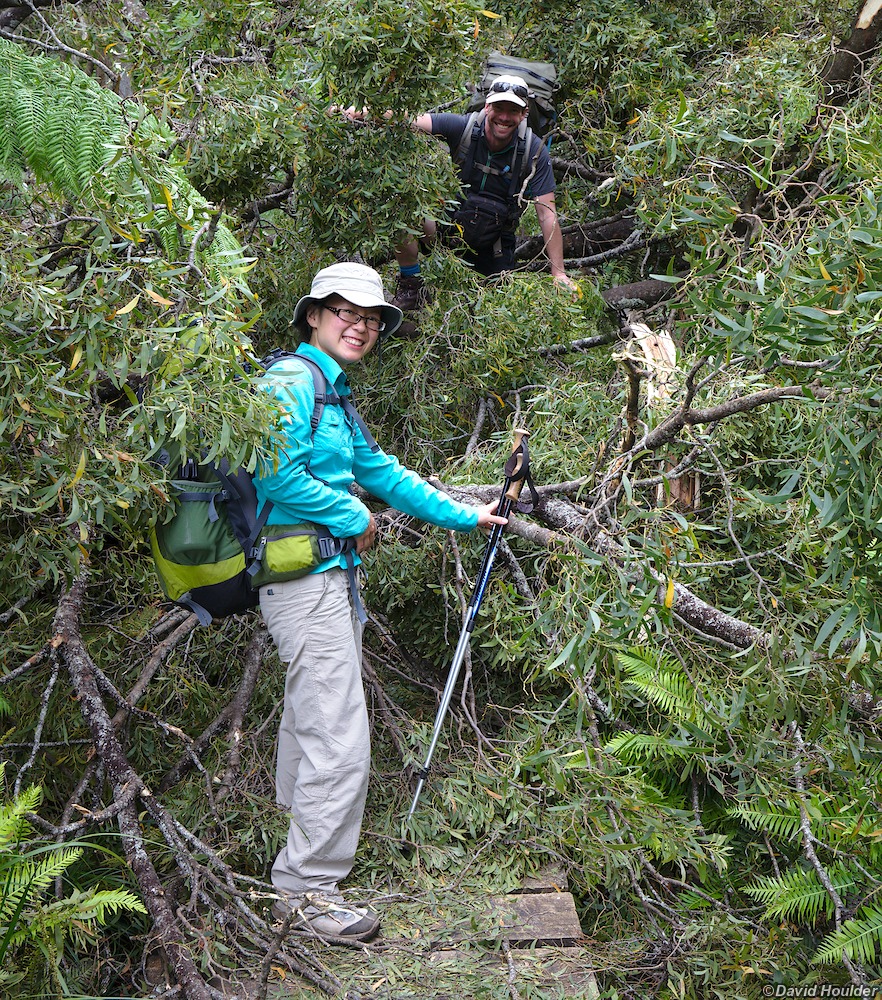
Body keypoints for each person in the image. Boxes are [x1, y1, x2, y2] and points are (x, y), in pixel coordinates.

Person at [253, 261, 507, 942]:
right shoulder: (290, 382)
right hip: (303, 584)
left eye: (370, 318)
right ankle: (308, 893)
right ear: (314, 314)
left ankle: (297, 872)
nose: (360, 326)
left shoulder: (333, 398)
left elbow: (383, 473)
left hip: (327, 582)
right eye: (347, 312)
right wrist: (351, 516)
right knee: (337, 739)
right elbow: (274, 473)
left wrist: (466, 514)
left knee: (314, 727)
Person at [345, 74, 577, 311]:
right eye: (499, 107)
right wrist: (356, 112)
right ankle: (411, 284)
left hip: (493, 247)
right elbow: (409, 120)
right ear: (487, 106)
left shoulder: (533, 150)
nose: (505, 117)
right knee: (401, 204)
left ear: (524, 113)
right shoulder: (463, 128)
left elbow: (547, 214)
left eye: (513, 111)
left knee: (484, 315)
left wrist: (559, 273)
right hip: (445, 232)